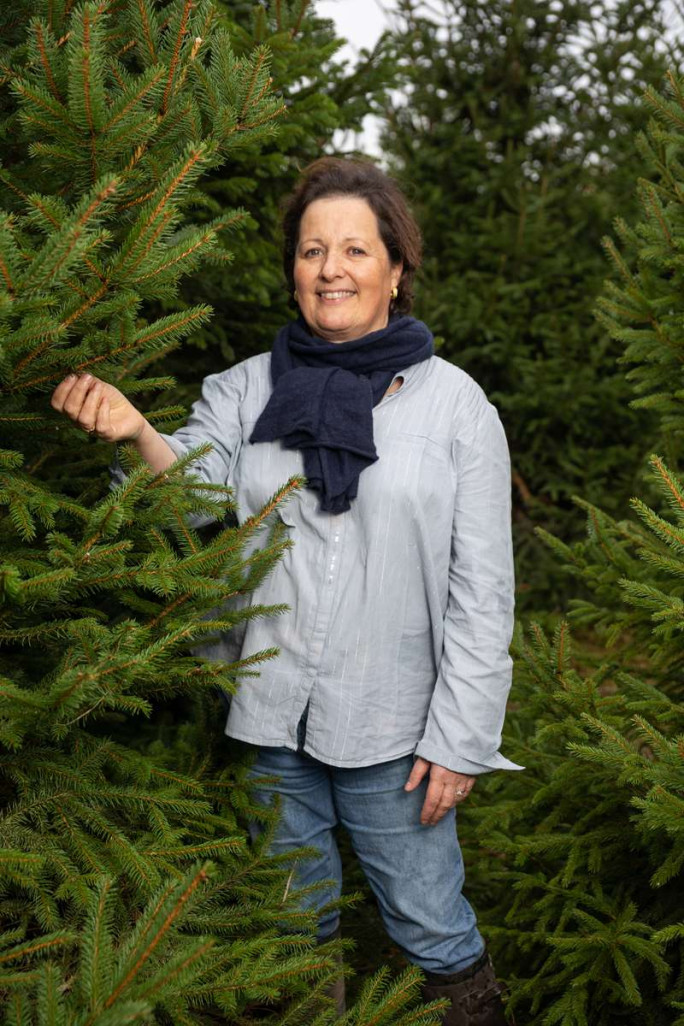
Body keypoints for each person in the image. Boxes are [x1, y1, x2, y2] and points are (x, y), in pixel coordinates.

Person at [51, 157, 522, 1026]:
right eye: (312, 251)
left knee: (431, 927)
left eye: (353, 249)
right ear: (294, 271)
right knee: (291, 927)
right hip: (271, 714)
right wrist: (135, 430)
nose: (331, 269)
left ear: (396, 269)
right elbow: (193, 500)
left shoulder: (457, 409)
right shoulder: (244, 388)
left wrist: (461, 740)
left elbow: (483, 591)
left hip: (397, 731)